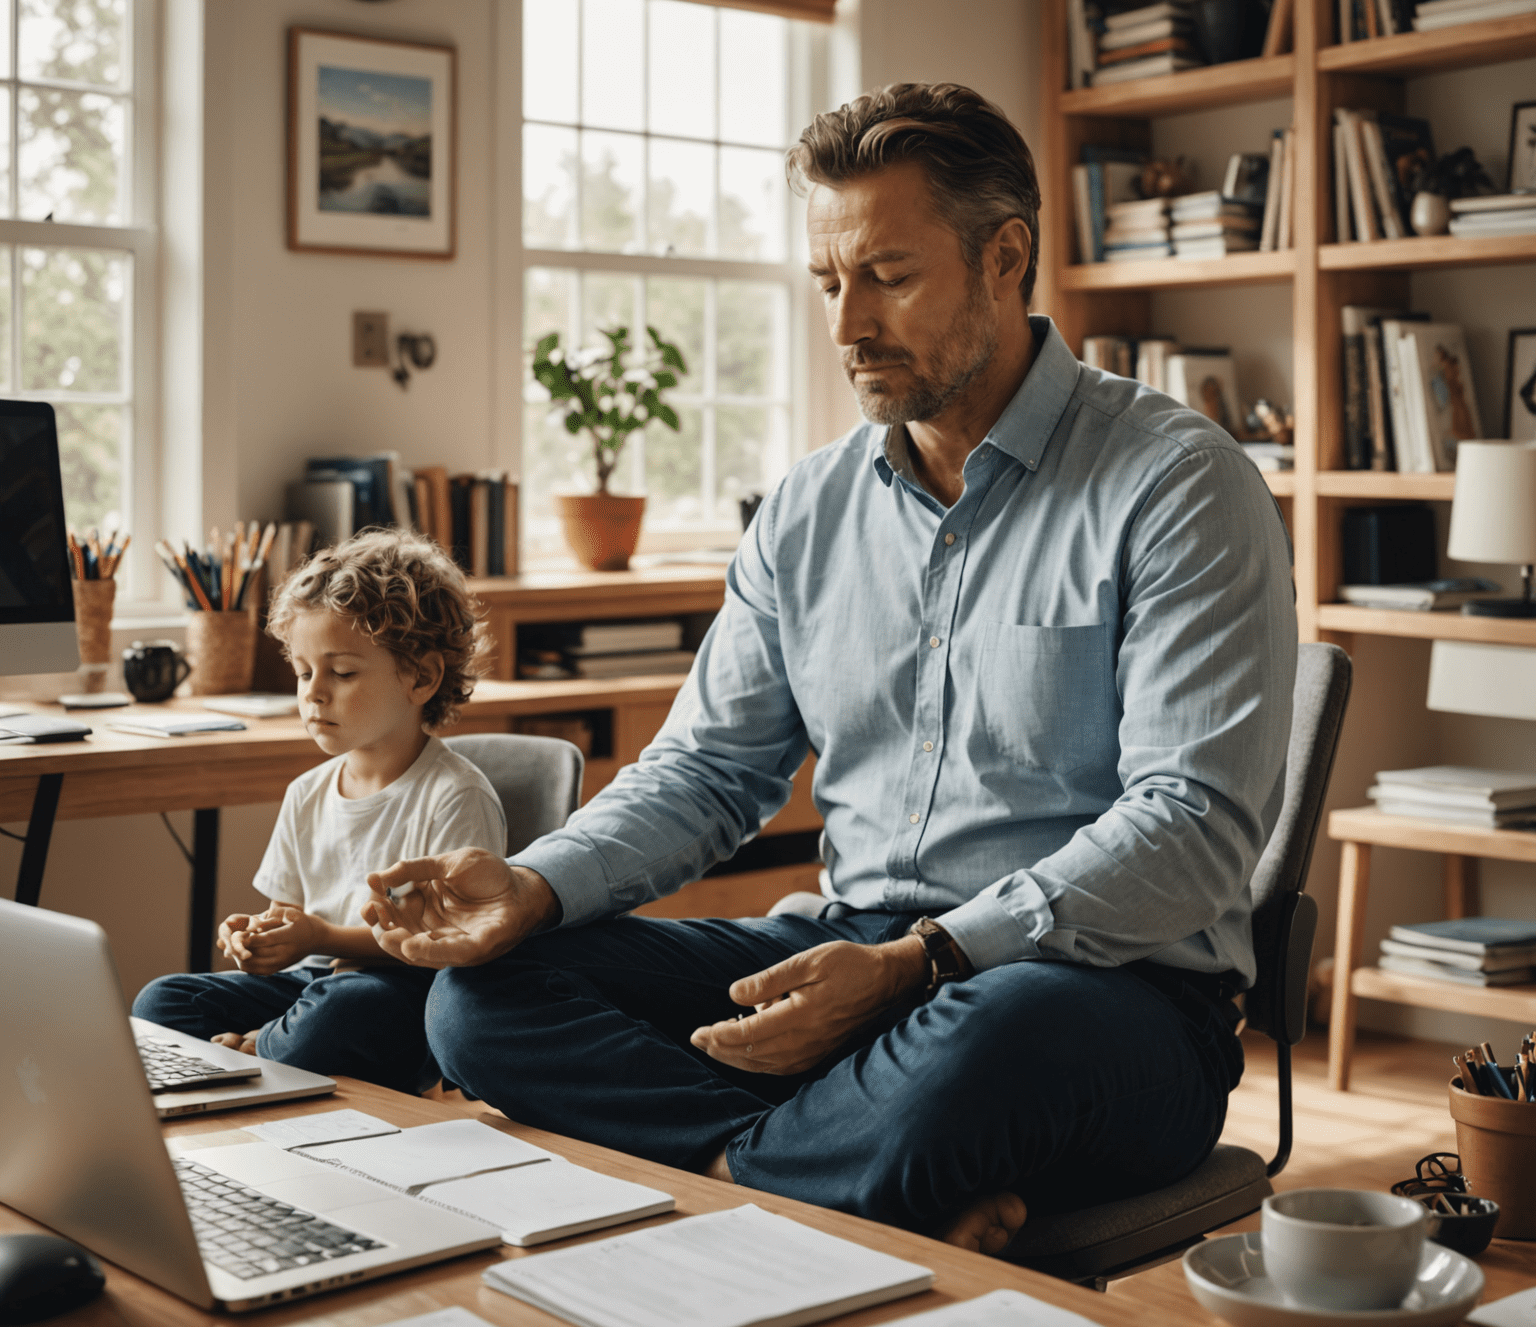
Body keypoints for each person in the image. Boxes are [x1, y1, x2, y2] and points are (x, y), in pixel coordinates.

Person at [364, 83, 1298, 1253]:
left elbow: (1193, 826)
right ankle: (817, 1169)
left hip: (1095, 995)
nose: (847, 321)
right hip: (845, 952)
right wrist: (536, 884)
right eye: (827, 282)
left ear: (1005, 258)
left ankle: (790, 1164)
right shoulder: (808, 508)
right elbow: (707, 772)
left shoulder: (1178, 486)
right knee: (486, 994)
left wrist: (928, 962)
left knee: (991, 1037)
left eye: (888, 276)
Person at [133, 530, 505, 1095]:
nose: (314, 694)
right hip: (310, 982)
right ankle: (272, 1052)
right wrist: (262, 935)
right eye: (304, 672)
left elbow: (440, 947)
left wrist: (319, 936)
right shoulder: (308, 791)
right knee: (161, 998)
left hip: (403, 996)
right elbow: (290, 909)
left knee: (347, 1003)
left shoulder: (455, 795)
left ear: (421, 677)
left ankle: (260, 1050)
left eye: (343, 673)